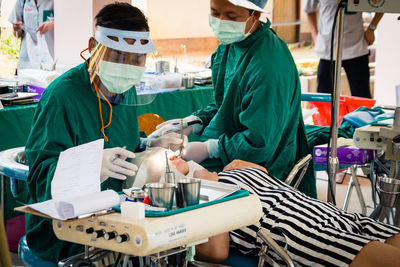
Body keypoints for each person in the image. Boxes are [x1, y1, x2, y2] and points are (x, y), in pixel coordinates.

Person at [24, 3, 185, 263]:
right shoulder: (63, 97)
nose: (127, 66)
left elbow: (121, 143)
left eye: (136, 59)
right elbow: (40, 179)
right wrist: (88, 168)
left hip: (118, 214)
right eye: (117, 56)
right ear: (92, 46)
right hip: (66, 230)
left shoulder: (124, 88)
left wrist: (147, 145)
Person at [151, 0, 316, 198]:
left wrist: (210, 148)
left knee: (175, 181)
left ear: (254, 15)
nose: (221, 21)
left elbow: (259, 143)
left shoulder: (267, 66)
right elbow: (226, 104)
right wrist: (194, 122)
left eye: (231, 16)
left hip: (262, 166)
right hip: (234, 150)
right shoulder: (231, 47)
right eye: (215, 13)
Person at [170, 158, 400, 267]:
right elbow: (215, 252)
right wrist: (208, 188)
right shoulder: (192, 196)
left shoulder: (230, 169)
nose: (169, 151)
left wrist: (251, 168)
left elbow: (270, 182)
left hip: (334, 214)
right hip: (304, 233)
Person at [304, 0, 383, 98]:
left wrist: (372, 27)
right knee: (323, 98)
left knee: (362, 100)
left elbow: (383, 4)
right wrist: (314, 35)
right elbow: (308, 10)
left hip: (355, 48)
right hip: (328, 49)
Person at [8, 0, 55, 69]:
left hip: (51, 59)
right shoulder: (22, 1)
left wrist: (53, 24)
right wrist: (16, 29)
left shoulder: (55, 2)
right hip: (27, 61)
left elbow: (69, 22)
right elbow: (17, 34)